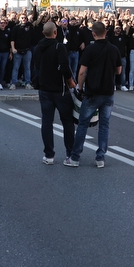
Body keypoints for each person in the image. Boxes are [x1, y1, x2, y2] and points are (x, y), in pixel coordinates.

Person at [64, 21, 122, 168]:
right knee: (104, 125)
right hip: (108, 92)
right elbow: (119, 70)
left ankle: (75, 157)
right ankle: (100, 157)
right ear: (106, 32)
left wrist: (80, 87)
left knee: (83, 124)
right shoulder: (114, 49)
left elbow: (82, 71)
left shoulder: (90, 50)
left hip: (92, 92)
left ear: (93, 34)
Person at [34, 21, 77, 165]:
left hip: (44, 89)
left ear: (43, 33)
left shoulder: (38, 48)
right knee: (67, 122)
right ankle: (70, 154)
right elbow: (65, 67)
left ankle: (49, 155)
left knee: (47, 122)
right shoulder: (59, 47)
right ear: (55, 32)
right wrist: (71, 81)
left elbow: (36, 66)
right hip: (60, 90)